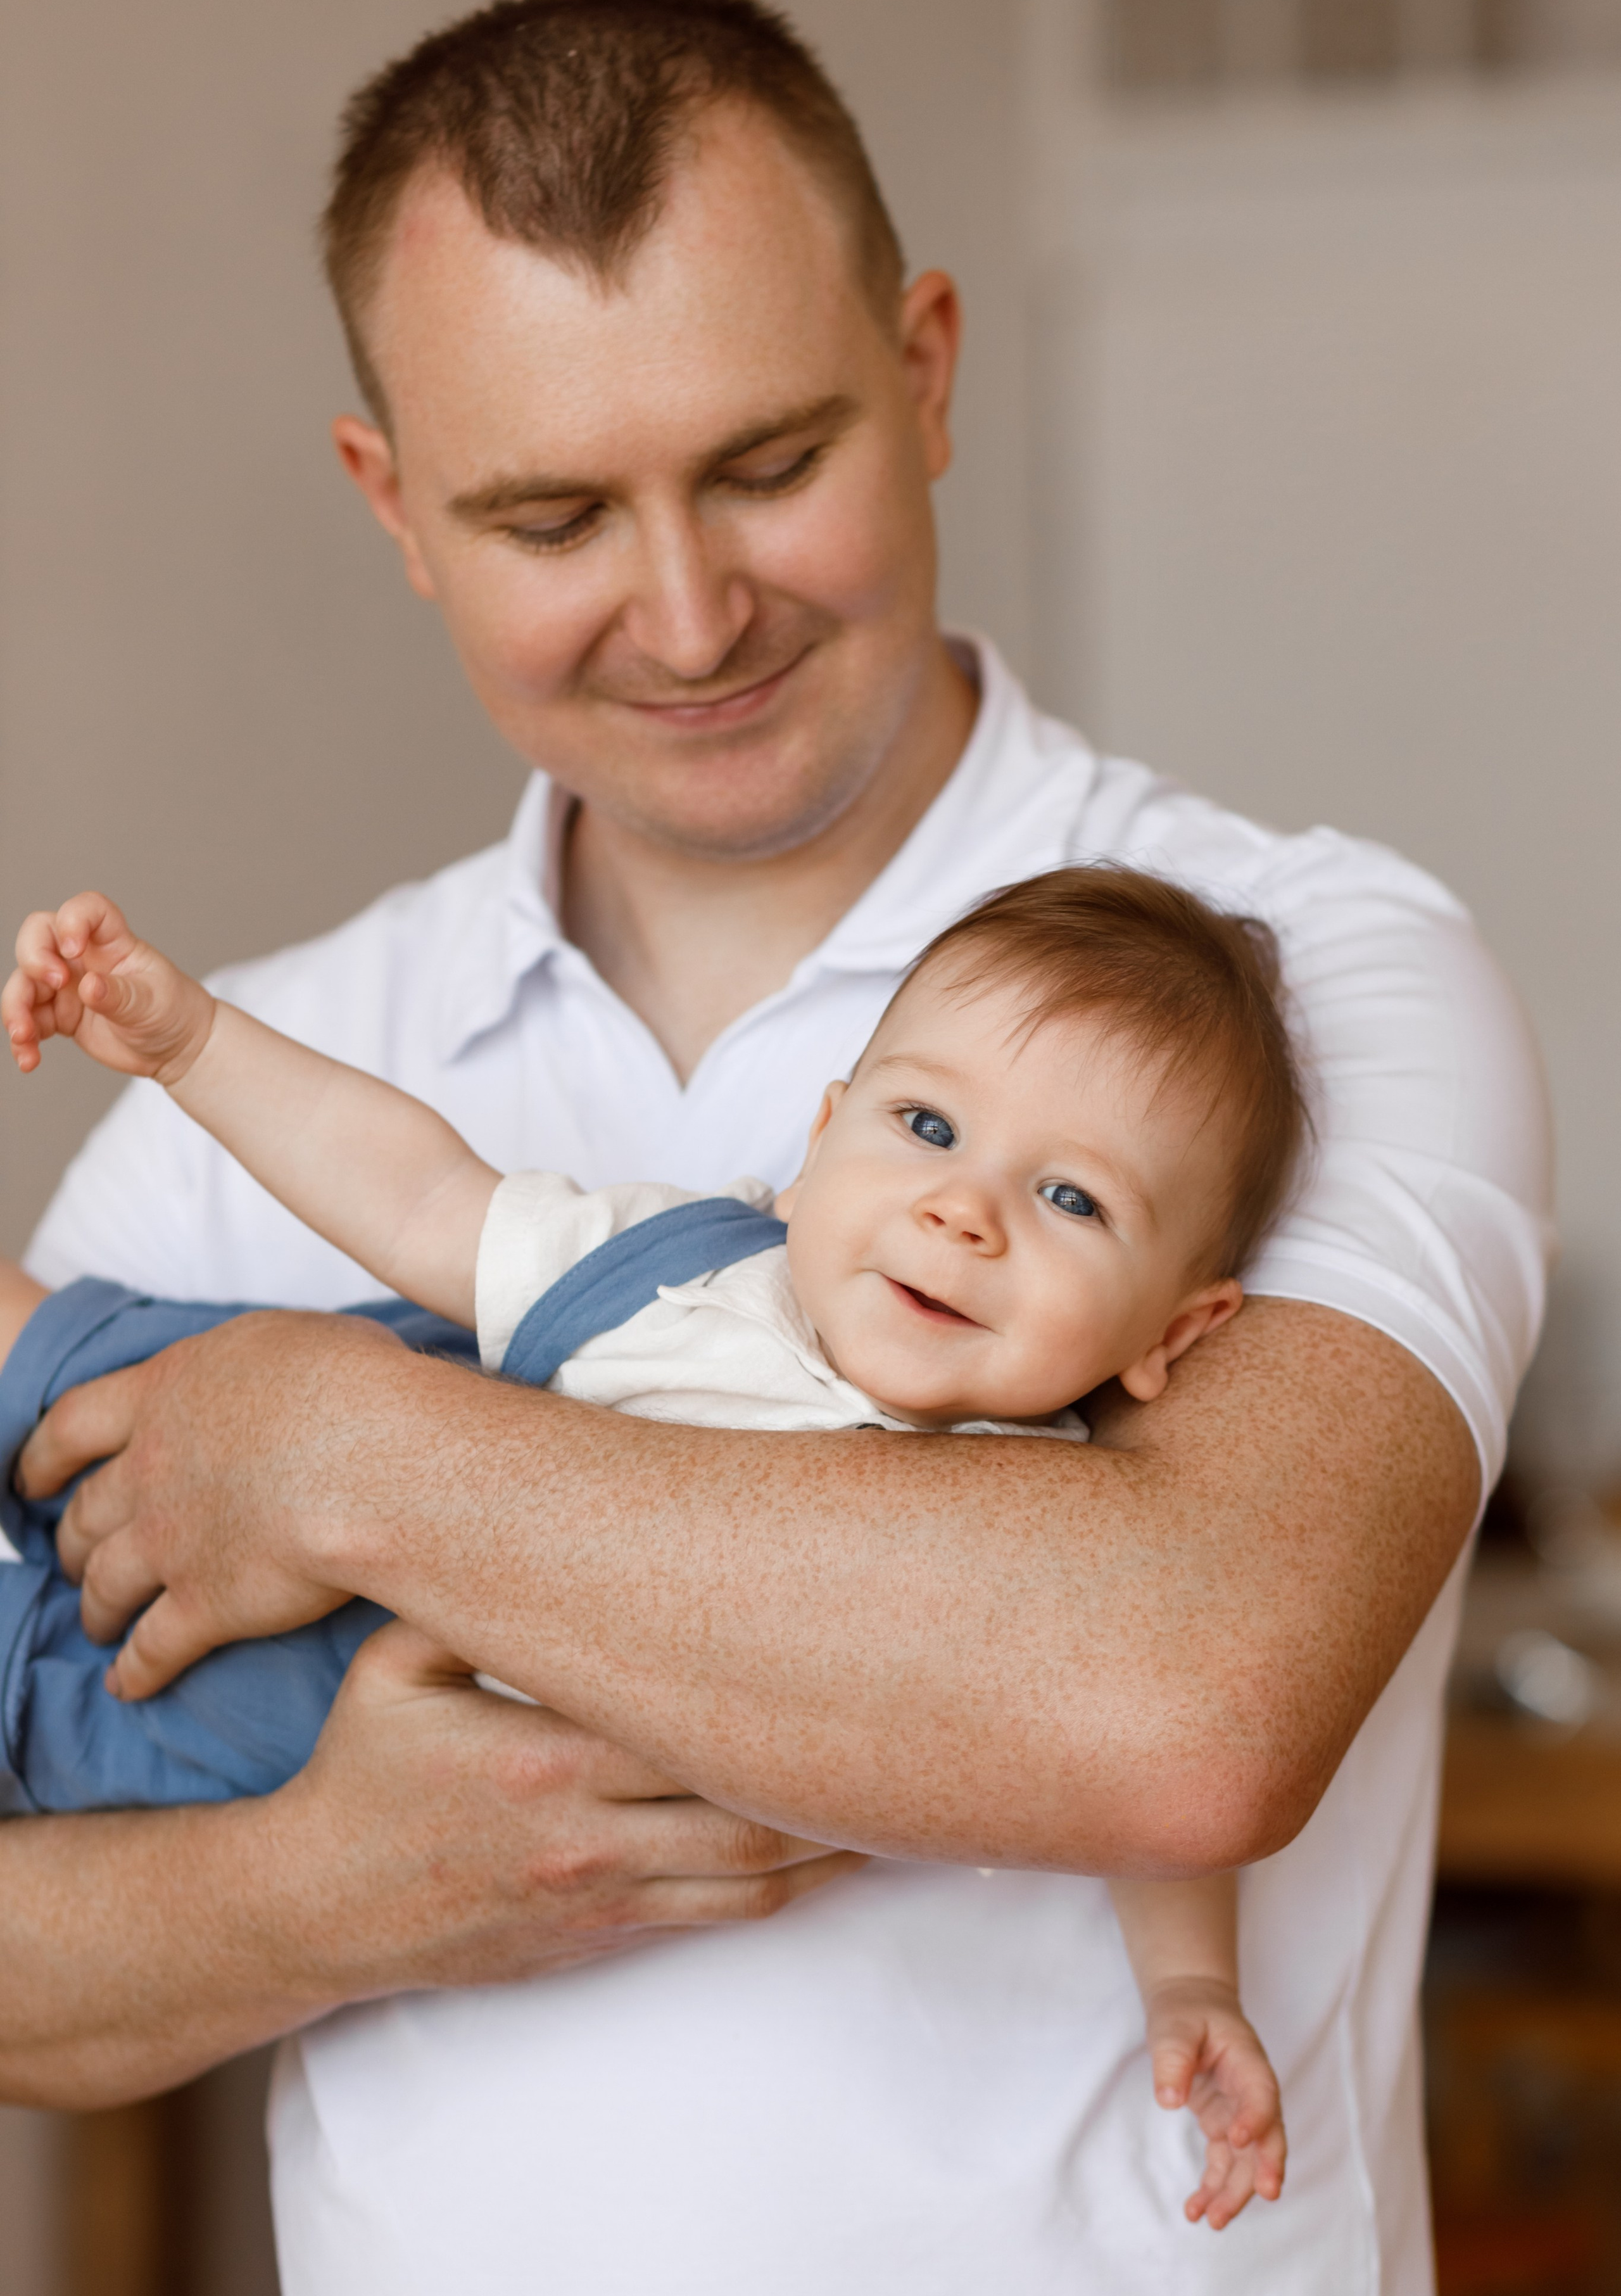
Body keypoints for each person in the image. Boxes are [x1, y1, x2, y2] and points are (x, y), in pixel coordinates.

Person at [0, 0, 1548, 2295]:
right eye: (551, 512)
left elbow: (1186, 1703)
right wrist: (333, 1887)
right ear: (392, 506)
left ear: (925, 372)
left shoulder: (1304, 987)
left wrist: (339, 1450)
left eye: (765, 464)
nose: (693, 610)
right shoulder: (257, 1081)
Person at [3, 864, 1304, 2224]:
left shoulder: (1057, 1526)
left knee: (64, 1723)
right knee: (73, 1363)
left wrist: (1191, 1986)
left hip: (288, 1723)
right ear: (819, 1146)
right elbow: (418, 1194)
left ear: (1172, 1332)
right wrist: (197, 1044)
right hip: (206, 1452)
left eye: (1071, 1200)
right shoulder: (678, 1271)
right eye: (924, 1125)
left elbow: (1132, 1781)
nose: (962, 1210)